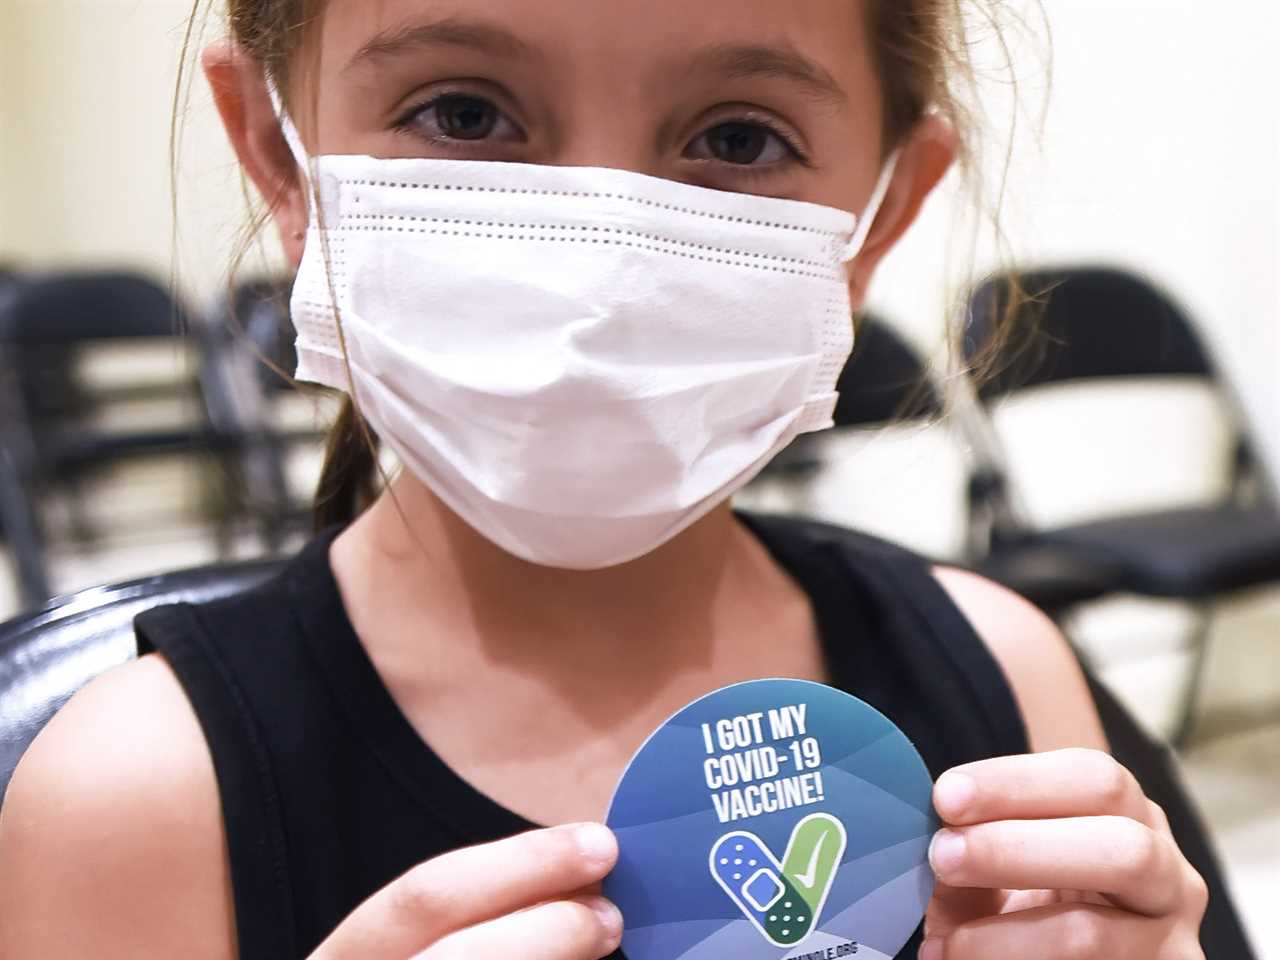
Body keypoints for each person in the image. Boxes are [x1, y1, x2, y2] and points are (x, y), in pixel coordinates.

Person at [0, 2, 1210, 959]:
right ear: (278, 154)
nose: (600, 268)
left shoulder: (1000, 666)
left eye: (736, 138)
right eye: (462, 113)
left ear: (878, 219)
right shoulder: (132, 805)